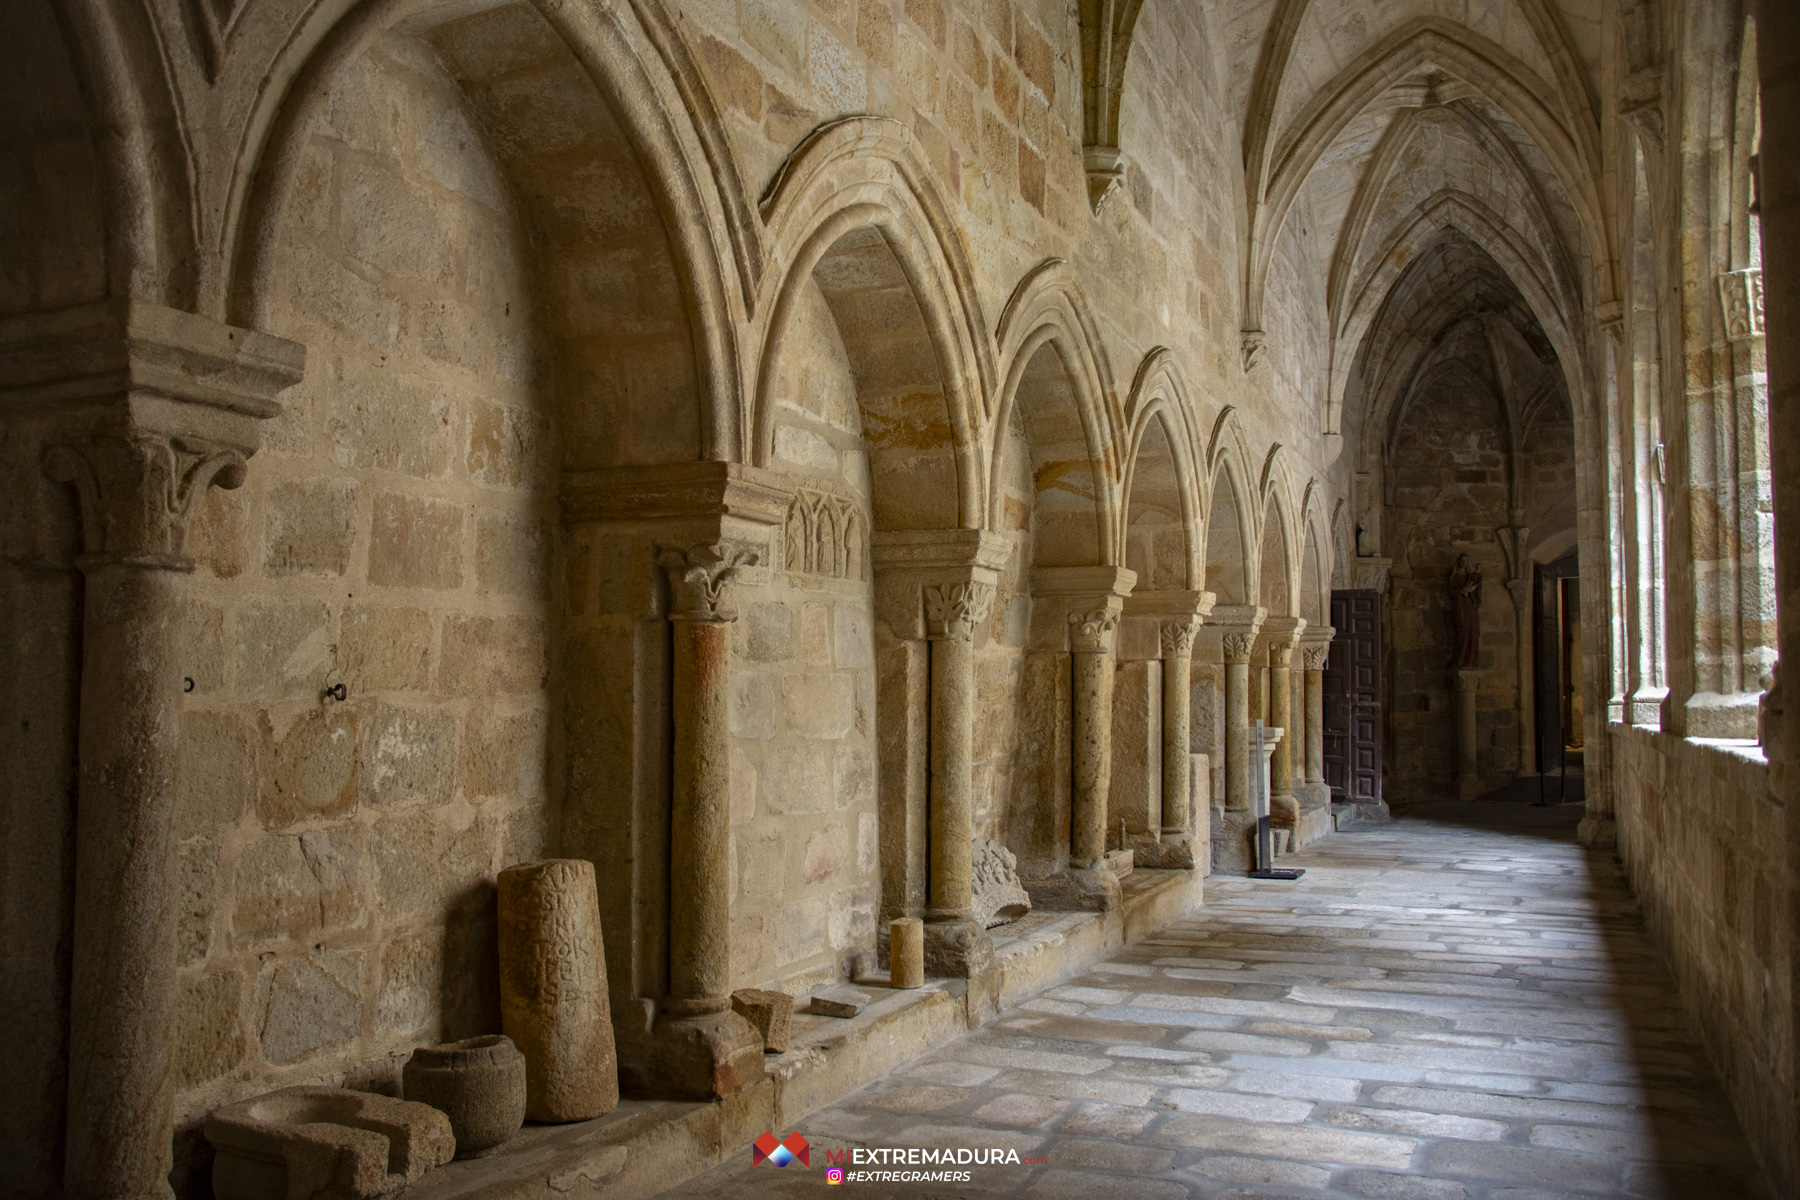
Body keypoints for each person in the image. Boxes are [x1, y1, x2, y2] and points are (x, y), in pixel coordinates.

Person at [1450, 553, 1482, 668]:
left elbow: (1477, 591)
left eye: (1466, 561)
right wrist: (1461, 591)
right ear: (1458, 562)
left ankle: (1471, 660)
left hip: (1470, 607)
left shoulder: (1470, 577)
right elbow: (1451, 593)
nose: (1464, 563)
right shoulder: (1453, 577)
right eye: (1462, 561)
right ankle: (1461, 659)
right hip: (1461, 607)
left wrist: (1472, 588)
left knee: (1473, 631)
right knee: (1462, 631)